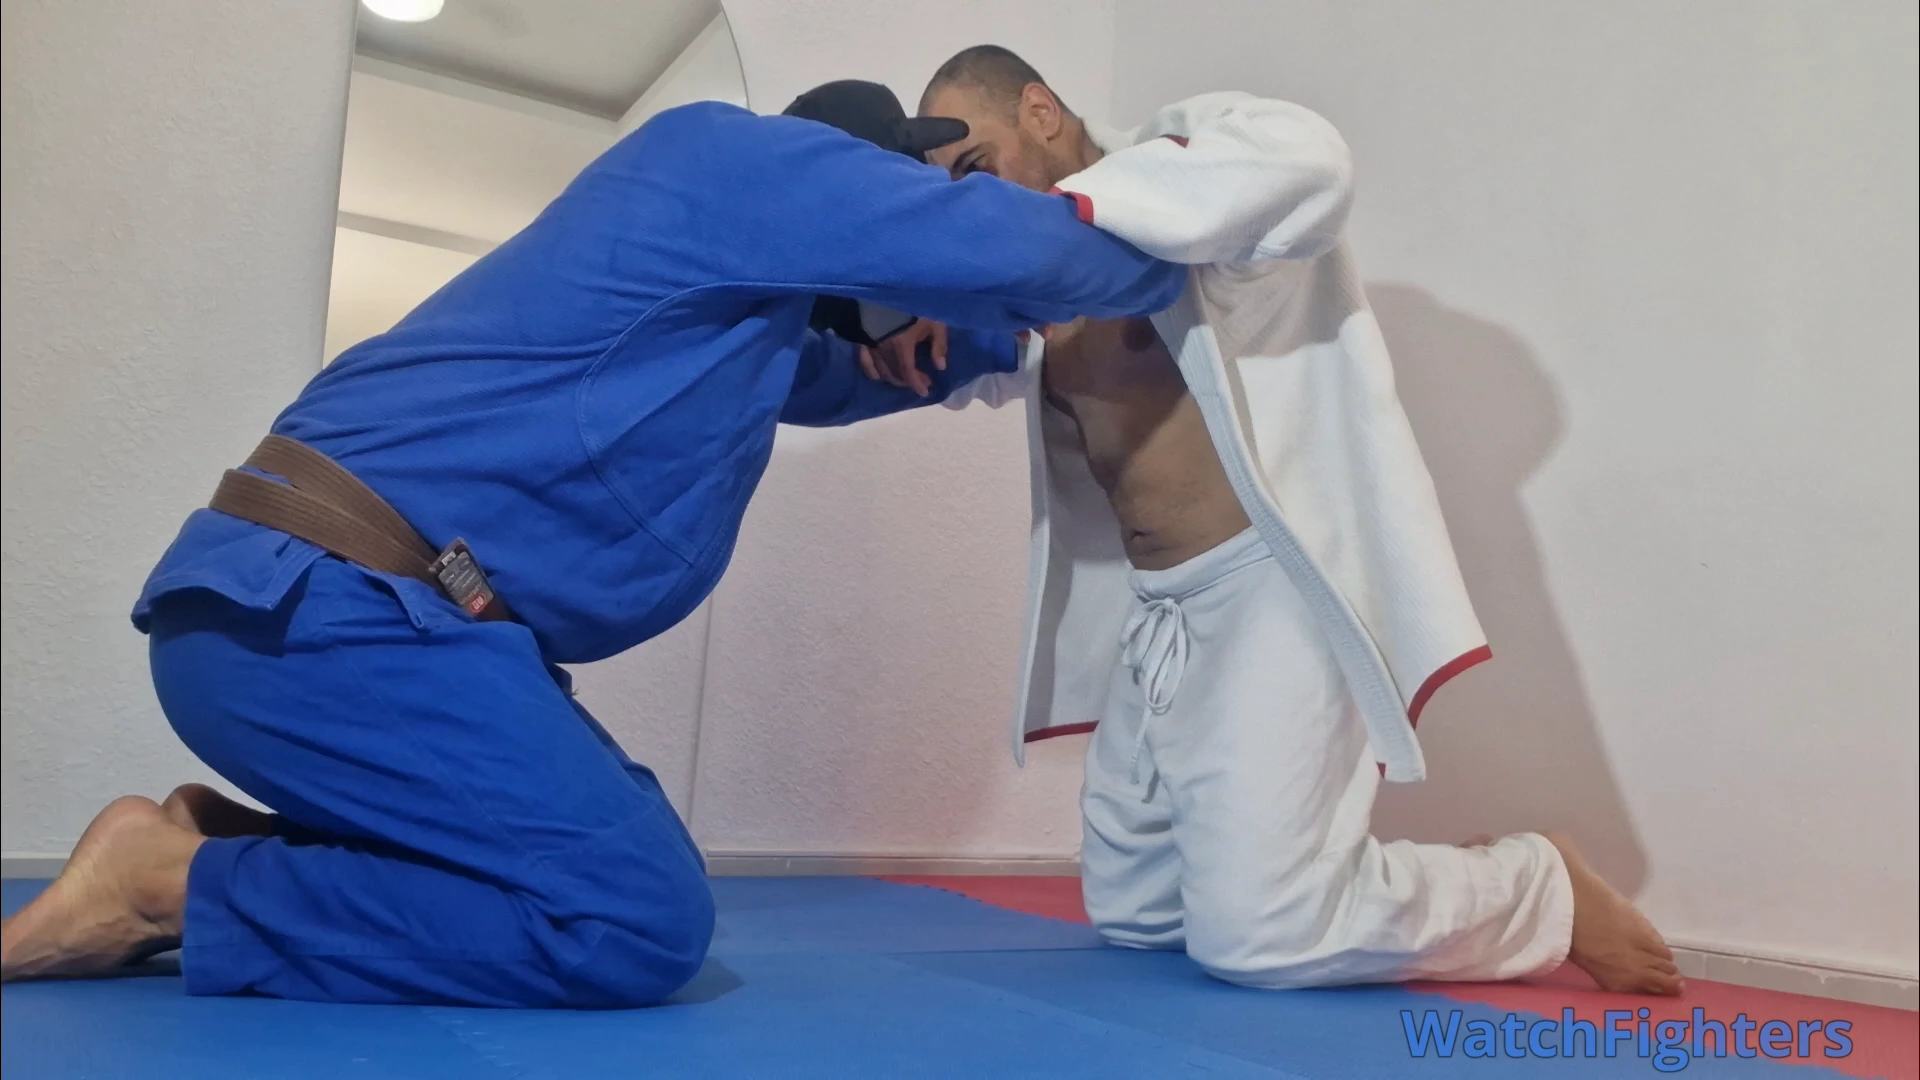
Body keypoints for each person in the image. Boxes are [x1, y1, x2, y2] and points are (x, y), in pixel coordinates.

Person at [0, 80, 1187, 1008]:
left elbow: (869, 372)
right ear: (851, 180)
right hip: (321, 614)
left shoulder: (731, 328)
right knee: (632, 920)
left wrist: (992, 342)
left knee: (599, 872)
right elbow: (1026, 250)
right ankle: (165, 886)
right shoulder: (731, 156)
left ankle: (203, 851)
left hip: (333, 619)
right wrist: (1198, 224)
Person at [885, 46, 1682, 995]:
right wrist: (920, 300)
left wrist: (1048, 223)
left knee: (1261, 937)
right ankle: (1318, 892)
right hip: (1160, 613)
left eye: (978, 167)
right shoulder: (1038, 291)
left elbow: (1315, 162)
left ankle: (1535, 889)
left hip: (1269, 587)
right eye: (953, 192)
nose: (976, 205)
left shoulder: (1184, 178)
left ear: (1042, 111)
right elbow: (952, 362)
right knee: (1138, 916)